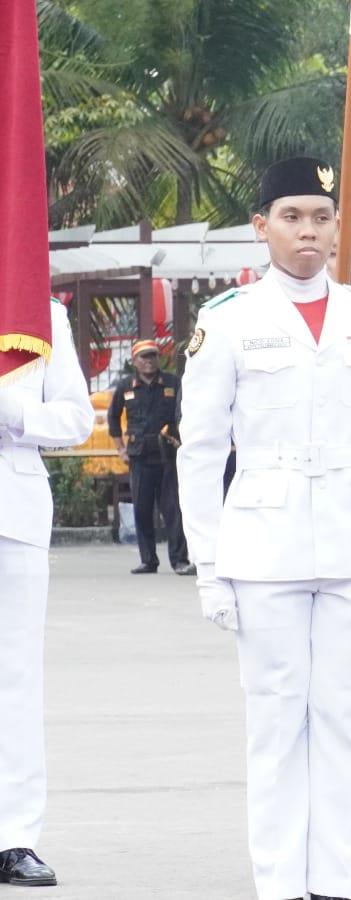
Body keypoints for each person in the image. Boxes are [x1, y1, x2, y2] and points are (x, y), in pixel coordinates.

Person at [177, 156, 351, 900]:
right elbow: (201, 450)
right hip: (264, 546)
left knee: (346, 719)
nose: (307, 231)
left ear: (338, 226)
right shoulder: (228, 321)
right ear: (262, 227)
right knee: (277, 720)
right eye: (291, 216)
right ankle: (281, 885)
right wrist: (209, 565)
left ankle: (331, 881)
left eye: (320, 216)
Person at [0, 299, 92, 889]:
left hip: (13, 510)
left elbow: (75, 418)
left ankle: (12, 835)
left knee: (15, 680)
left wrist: (12, 411)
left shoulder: (37, 311)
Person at [107, 338, 195, 575]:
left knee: (173, 510)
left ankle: (179, 560)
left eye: (153, 355)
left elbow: (186, 413)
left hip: (168, 455)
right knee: (142, 510)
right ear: (134, 360)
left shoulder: (172, 383)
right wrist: (120, 449)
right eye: (144, 357)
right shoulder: (126, 386)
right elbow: (113, 418)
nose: (149, 361)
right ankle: (148, 560)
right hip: (140, 456)